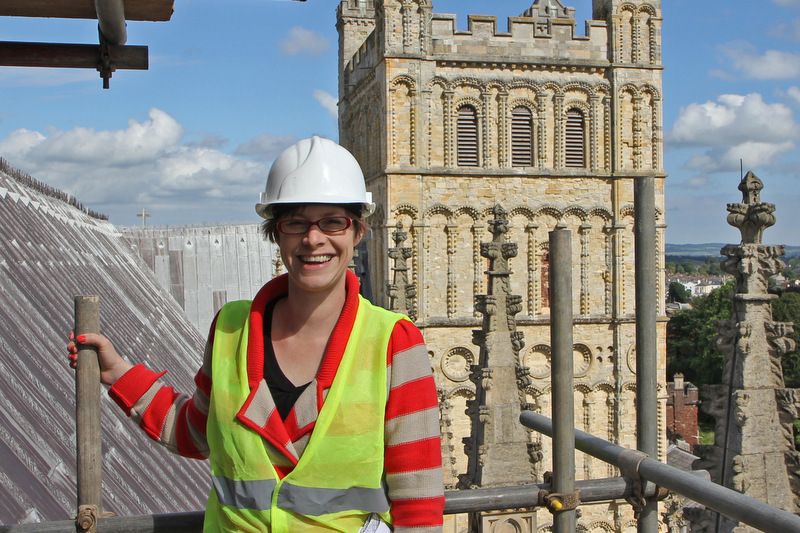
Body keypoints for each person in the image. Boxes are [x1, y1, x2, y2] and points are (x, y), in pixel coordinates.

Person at [67, 136, 445, 532]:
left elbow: (417, 504)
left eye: (333, 221)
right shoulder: (231, 329)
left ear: (358, 233)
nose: (313, 239)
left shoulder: (394, 344)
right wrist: (117, 374)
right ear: (276, 234)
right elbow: (196, 432)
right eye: (295, 223)